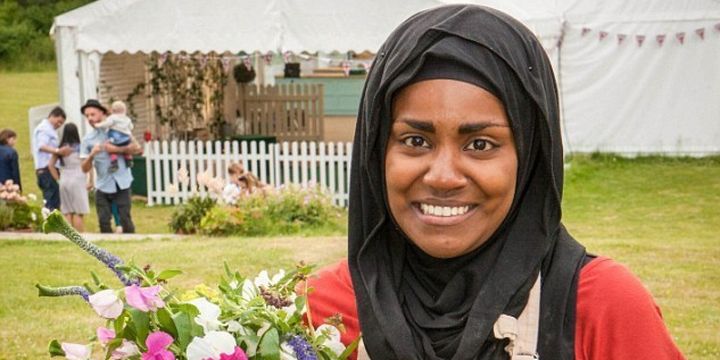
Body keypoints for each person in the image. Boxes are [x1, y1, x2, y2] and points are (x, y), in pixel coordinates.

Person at [304, 5, 684, 359]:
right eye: (415, 141)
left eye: (480, 144)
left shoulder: (601, 308)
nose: (443, 176)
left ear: (529, 156)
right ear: (376, 153)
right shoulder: (320, 312)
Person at [79, 99, 142, 234]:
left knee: (125, 219)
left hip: (122, 183)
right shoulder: (88, 139)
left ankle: (132, 246)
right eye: (87, 116)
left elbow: (137, 149)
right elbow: (83, 168)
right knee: (103, 221)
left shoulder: (118, 129)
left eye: (93, 114)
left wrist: (116, 150)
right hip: (103, 185)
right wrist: (91, 155)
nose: (90, 118)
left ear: (102, 113)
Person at [47, 123, 90, 232]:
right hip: (78, 179)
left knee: (67, 211)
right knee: (78, 211)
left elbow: (50, 165)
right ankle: (80, 237)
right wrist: (91, 180)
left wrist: (58, 179)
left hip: (64, 178)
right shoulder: (80, 148)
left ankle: (69, 236)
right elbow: (88, 164)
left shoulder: (61, 149)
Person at [33, 107, 72, 210]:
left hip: (50, 170)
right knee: (51, 202)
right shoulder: (44, 129)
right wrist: (57, 151)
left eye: (61, 124)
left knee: (55, 201)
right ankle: (50, 225)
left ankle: (55, 224)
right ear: (52, 116)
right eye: (58, 121)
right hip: (46, 170)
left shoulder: (50, 129)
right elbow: (41, 146)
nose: (58, 125)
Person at [94, 100, 135, 172]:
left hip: (116, 138)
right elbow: (131, 127)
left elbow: (106, 124)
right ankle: (128, 159)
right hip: (126, 138)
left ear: (113, 110)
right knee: (125, 146)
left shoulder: (113, 117)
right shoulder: (127, 119)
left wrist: (98, 125)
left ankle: (114, 162)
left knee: (110, 148)